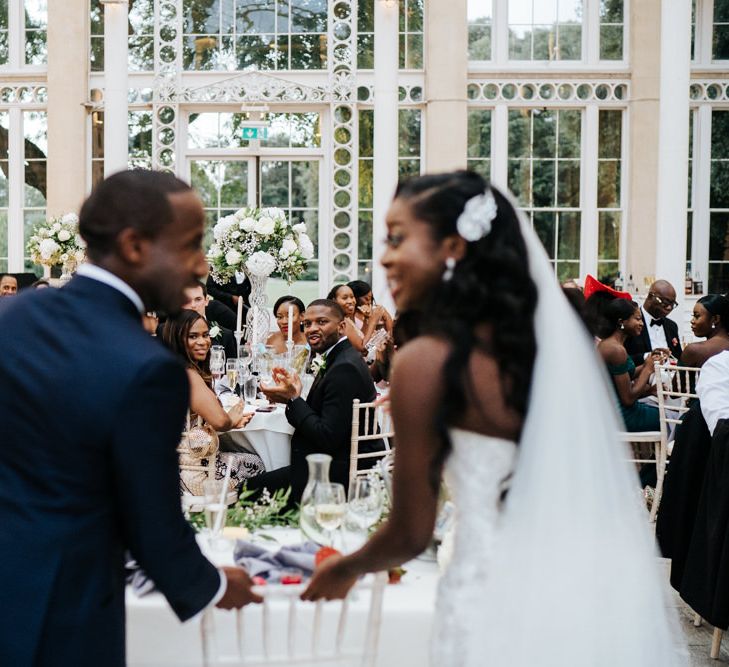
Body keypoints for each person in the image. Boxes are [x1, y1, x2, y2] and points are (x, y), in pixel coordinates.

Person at [300, 171, 682, 665]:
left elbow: (411, 533)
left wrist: (342, 569)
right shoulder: (546, 350)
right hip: (582, 594)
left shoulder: (425, 363)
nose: (385, 256)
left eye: (397, 237)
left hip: (489, 599)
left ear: (453, 246)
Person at [0, 170, 261, 667]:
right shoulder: (148, 368)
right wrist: (212, 586)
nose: (202, 265)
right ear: (135, 245)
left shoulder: (12, 319)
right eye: (190, 246)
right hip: (64, 610)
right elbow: (153, 525)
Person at [250, 299, 379, 501]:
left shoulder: (344, 368)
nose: (312, 329)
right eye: (308, 323)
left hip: (334, 476)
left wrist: (293, 399)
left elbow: (326, 436)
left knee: (247, 489)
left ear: (342, 326)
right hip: (329, 464)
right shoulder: (339, 357)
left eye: (321, 322)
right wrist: (295, 394)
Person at [162, 310, 262, 492]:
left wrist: (228, 422)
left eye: (205, 335)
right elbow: (221, 421)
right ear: (177, 339)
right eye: (193, 336)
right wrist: (230, 419)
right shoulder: (188, 375)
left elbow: (190, 430)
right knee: (257, 464)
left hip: (173, 468)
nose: (203, 342)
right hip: (195, 476)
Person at [597, 298, 664, 432]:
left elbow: (627, 374)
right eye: (637, 319)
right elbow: (628, 398)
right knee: (671, 417)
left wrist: (648, 362)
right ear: (622, 322)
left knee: (663, 410)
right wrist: (648, 369)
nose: (641, 324)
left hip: (613, 412)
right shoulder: (616, 350)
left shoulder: (609, 344)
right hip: (622, 416)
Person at [625, 279, 682, 365]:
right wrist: (647, 356)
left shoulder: (672, 326)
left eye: (672, 304)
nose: (669, 308)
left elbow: (678, 356)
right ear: (651, 296)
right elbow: (622, 359)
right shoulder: (631, 322)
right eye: (666, 302)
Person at [182, 281, 237, 358]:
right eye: (187, 300)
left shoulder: (225, 335)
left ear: (206, 301)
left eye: (198, 299)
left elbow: (231, 366)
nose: (193, 305)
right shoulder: (165, 332)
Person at [679, 294, 729, 368]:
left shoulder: (693, 350)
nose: (692, 321)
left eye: (697, 316)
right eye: (693, 316)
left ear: (715, 319)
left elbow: (678, 379)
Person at [327, 284, 365, 352]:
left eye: (352, 297)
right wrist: (373, 322)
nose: (351, 301)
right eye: (345, 298)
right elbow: (362, 348)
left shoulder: (347, 319)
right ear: (334, 300)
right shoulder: (342, 322)